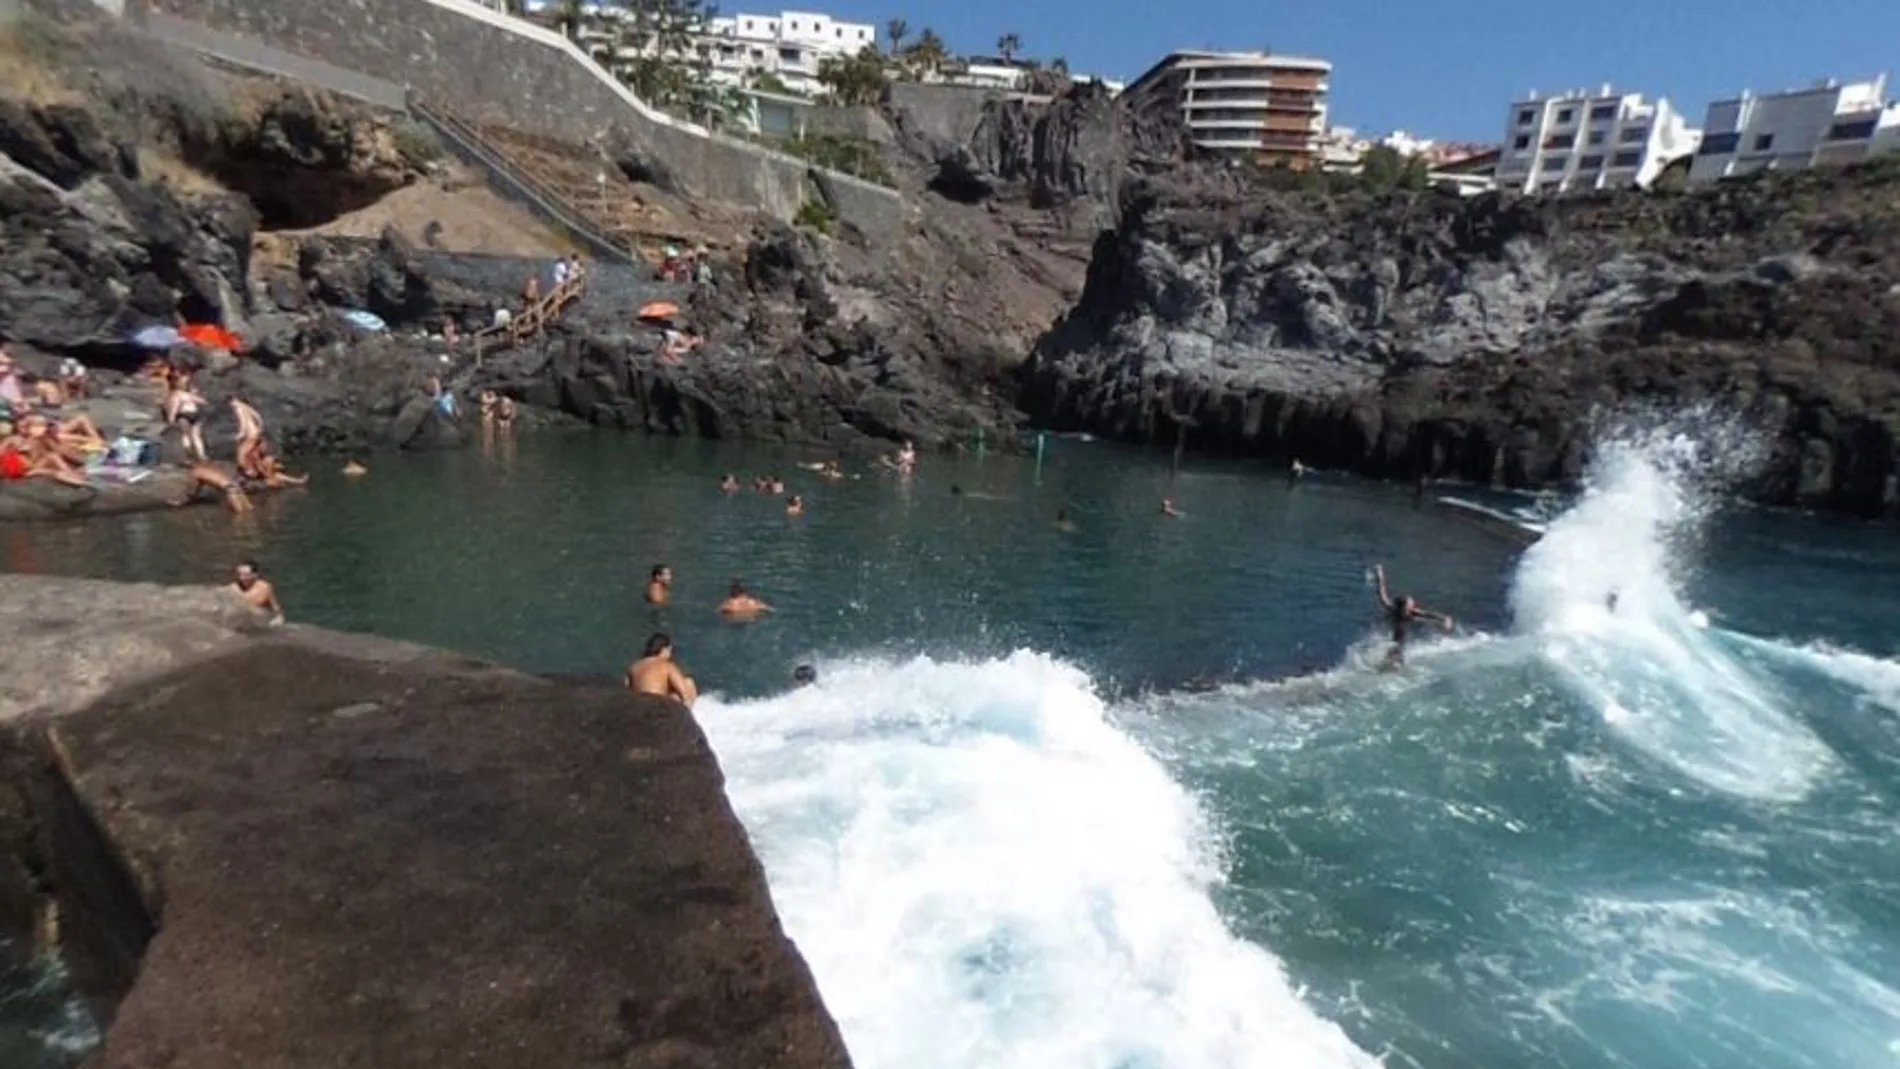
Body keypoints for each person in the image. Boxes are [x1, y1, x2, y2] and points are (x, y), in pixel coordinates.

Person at [1372, 564, 1454, 669]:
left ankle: (1392, 665)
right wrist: (1380, 577)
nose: (1413, 606)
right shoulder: (1393, 609)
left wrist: (1444, 619)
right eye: (1410, 605)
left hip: (1407, 629)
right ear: (1402, 607)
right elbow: (1382, 595)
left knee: (1400, 647)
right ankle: (1389, 664)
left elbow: (1429, 614)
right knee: (1395, 648)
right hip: (1395, 632)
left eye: (1412, 604)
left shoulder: (1413, 612)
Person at [627, 632, 697, 707]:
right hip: (657, 707)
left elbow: (626, 691)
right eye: (670, 650)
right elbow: (684, 694)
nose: (670, 654)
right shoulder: (667, 666)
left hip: (638, 706)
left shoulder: (634, 666)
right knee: (688, 682)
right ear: (663, 649)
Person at [164, 369, 208, 462]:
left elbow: (174, 407)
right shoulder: (190, 394)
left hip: (184, 415)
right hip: (195, 414)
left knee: (185, 435)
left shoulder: (176, 394)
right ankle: (202, 455)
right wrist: (193, 397)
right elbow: (203, 402)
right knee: (196, 436)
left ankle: (189, 455)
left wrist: (170, 418)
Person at [229, 560, 284, 625]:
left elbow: (276, 609)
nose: (242, 578)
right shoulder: (233, 588)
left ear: (255, 575)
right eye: (240, 574)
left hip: (260, 621)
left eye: (246, 575)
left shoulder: (264, 588)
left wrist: (278, 620)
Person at [230, 396, 266, 476]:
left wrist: (241, 434)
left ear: (236, 400)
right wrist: (260, 428)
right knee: (252, 454)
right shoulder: (247, 407)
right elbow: (258, 417)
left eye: (232, 402)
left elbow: (244, 422)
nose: (231, 404)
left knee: (241, 454)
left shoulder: (239, 408)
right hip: (256, 434)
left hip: (251, 435)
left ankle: (250, 473)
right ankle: (256, 470)